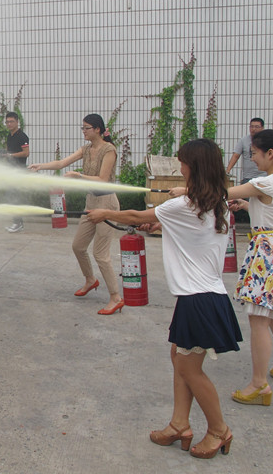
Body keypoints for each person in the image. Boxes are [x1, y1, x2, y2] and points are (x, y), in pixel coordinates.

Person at [88, 138, 241, 460]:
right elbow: (183, 227)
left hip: (198, 299)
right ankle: (179, 425)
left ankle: (219, 430)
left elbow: (132, 215)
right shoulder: (217, 203)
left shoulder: (182, 206)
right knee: (179, 358)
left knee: (190, 368)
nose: (179, 167)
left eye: (182, 162)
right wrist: (160, 222)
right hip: (206, 296)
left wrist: (104, 213)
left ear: (193, 168)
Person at [225, 129, 273, 405]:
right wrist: (248, 206)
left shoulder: (267, 182)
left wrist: (186, 189)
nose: (253, 159)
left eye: (255, 154)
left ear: (270, 154)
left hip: (267, 253)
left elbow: (221, 191)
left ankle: (259, 384)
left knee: (258, 318)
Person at [29, 114, 123, 314]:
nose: (83, 131)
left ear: (97, 129)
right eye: (82, 128)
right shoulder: (86, 149)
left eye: (86, 128)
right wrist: (40, 166)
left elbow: (103, 180)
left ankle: (115, 297)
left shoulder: (109, 150)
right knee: (78, 246)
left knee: (101, 254)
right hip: (91, 201)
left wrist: (78, 175)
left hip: (106, 203)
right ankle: (90, 280)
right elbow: (62, 163)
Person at [3, 111, 29, 233]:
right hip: (11, 170)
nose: (9, 124)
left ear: (17, 122)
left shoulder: (22, 137)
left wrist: (11, 155)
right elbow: (9, 152)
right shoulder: (9, 136)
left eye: (11, 121)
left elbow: (26, 153)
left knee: (15, 196)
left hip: (19, 171)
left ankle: (17, 223)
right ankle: (17, 222)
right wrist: (4, 155)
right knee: (12, 196)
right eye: (7, 122)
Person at [226, 118, 265, 183]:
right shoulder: (243, 140)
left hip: (264, 176)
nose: (254, 129)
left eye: (257, 127)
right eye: (252, 126)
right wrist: (228, 170)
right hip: (248, 177)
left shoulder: (267, 140)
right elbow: (236, 155)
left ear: (262, 128)